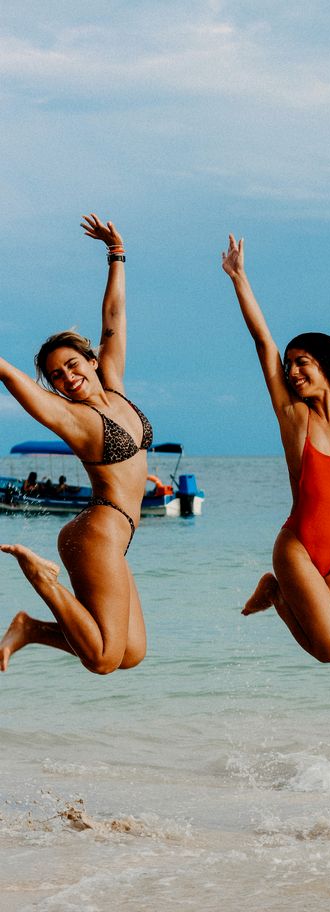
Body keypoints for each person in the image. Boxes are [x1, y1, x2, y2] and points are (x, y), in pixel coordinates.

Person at [221, 221, 330, 662]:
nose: (293, 372)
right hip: (298, 547)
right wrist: (240, 278)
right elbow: (264, 343)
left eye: (302, 363)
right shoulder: (293, 417)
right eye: (291, 365)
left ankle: (297, 596)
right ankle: (277, 593)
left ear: (325, 364)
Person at [0, 214, 150, 674]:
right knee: (103, 660)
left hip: (118, 536)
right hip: (96, 534)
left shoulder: (117, 386)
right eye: (57, 376)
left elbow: (114, 317)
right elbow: (9, 374)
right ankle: (41, 580)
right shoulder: (73, 418)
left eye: (71, 365)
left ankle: (30, 627)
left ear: (90, 359)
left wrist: (116, 254)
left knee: (130, 653)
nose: (67, 378)